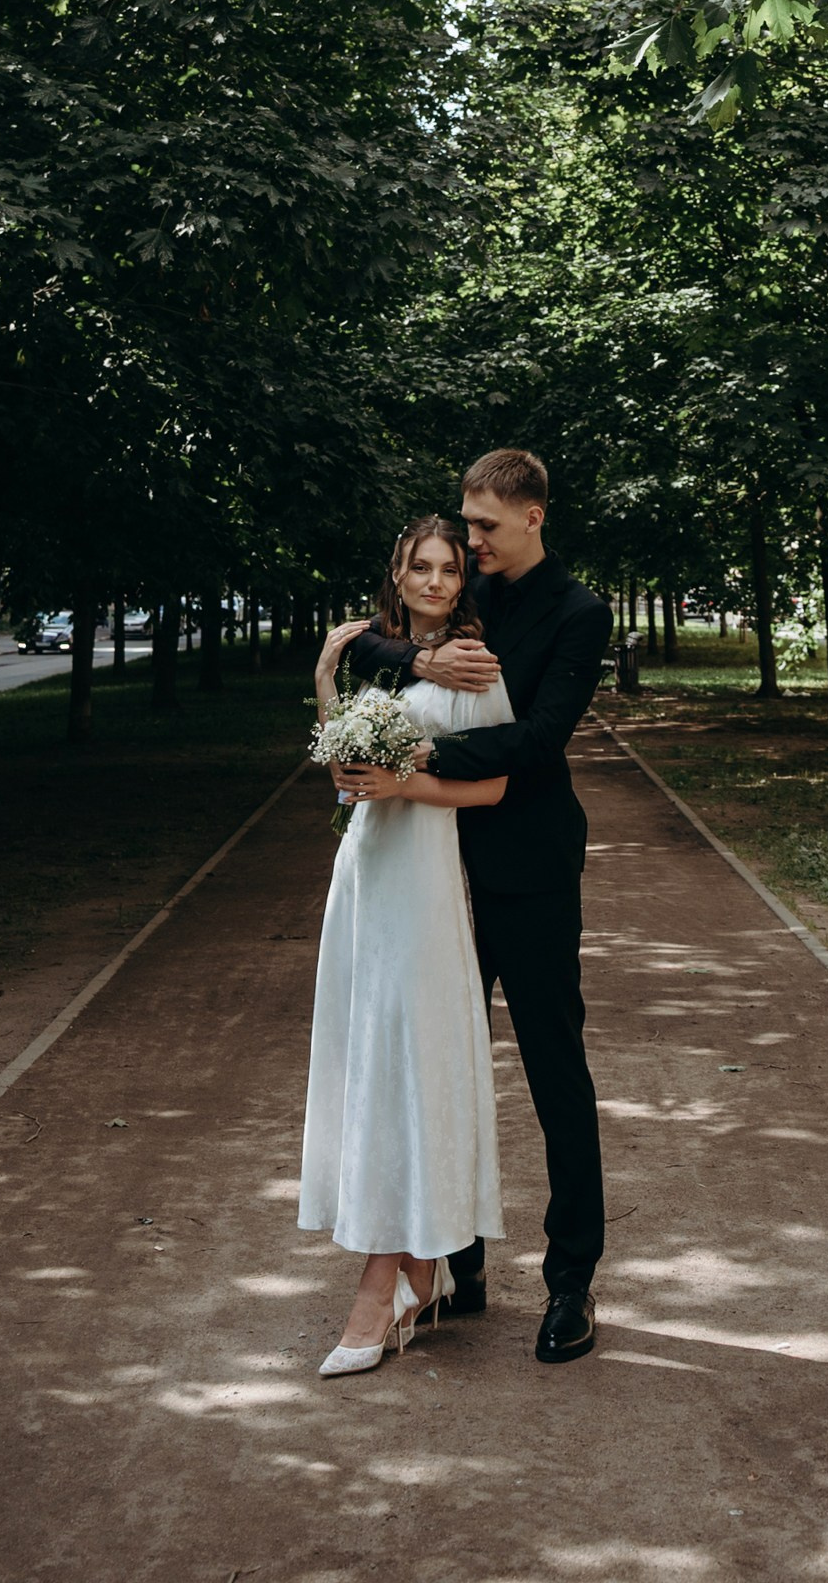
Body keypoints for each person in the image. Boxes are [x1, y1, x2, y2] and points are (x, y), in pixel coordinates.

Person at [334, 445, 612, 1365]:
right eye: (464, 524)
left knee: (551, 1070)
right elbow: (370, 638)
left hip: (525, 865)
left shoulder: (579, 612)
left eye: (485, 527)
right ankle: (458, 1262)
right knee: (438, 1060)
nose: (469, 541)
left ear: (534, 516)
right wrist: (414, 656)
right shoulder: (472, 589)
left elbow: (534, 744)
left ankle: (571, 1279)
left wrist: (408, 767)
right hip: (434, 875)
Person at [298, 518, 514, 1378]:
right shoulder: (374, 652)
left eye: (448, 568)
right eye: (419, 567)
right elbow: (341, 768)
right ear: (396, 571)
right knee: (368, 1064)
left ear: (463, 581)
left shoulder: (471, 664)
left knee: (407, 1064)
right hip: (362, 877)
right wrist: (324, 674)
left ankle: (383, 1283)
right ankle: (418, 1275)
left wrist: (405, 784)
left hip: (422, 882)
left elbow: (495, 783)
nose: (433, 580)